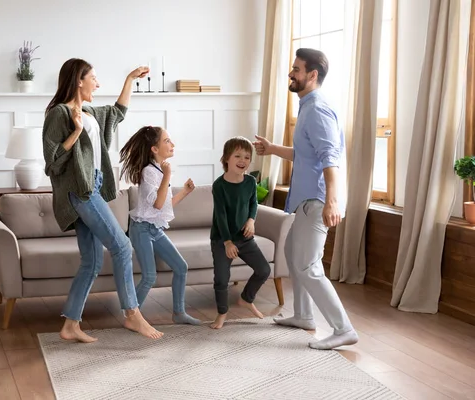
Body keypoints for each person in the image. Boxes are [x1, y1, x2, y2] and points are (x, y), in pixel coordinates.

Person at [43, 58, 163, 342]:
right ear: (78, 80)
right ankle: (132, 314)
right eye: (93, 78)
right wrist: (75, 132)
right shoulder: (59, 114)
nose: (97, 83)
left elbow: (118, 111)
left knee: (92, 262)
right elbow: (53, 162)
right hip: (80, 190)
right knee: (122, 246)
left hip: (93, 185)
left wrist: (130, 79)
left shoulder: (89, 110)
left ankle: (70, 325)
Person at [253, 48, 358, 350]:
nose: (291, 73)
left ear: (312, 75)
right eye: (292, 68)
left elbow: (330, 159)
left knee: (308, 265)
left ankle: (343, 328)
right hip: (306, 199)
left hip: (318, 200)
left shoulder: (318, 109)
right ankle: (303, 315)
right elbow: (305, 154)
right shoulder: (308, 106)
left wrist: (333, 201)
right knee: (291, 252)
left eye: (296, 70)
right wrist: (272, 148)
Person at [119, 126, 201, 325]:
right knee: (149, 276)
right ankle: (132, 317)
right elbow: (157, 203)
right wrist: (167, 176)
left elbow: (163, 206)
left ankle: (179, 313)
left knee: (181, 267)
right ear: (154, 149)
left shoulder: (159, 170)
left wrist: (185, 192)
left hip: (154, 229)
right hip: (141, 230)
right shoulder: (150, 172)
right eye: (167, 141)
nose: (172, 144)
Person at [210, 136, 271, 329]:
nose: (242, 160)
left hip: (245, 238)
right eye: (237, 156)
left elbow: (254, 204)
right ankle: (222, 313)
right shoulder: (219, 185)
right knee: (221, 279)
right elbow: (220, 216)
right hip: (222, 239)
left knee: (264, 270)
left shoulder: (251, 182)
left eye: (246, 157)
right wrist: (227, 242)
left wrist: (252, 220)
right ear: (226, 158)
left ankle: (246, 299)